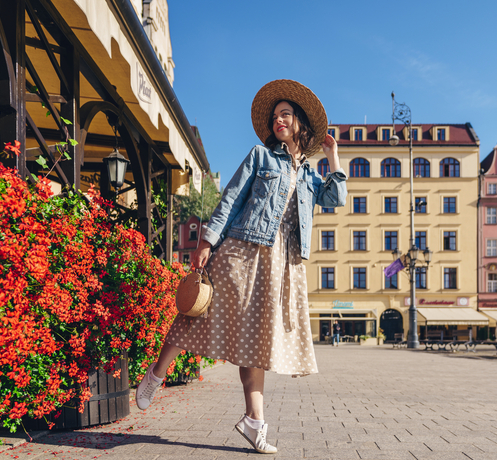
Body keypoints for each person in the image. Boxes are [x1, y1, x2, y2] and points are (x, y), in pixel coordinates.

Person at [134, 80, 347, 454]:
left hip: (282, 262)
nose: (279, 119)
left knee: (257, 342)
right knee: (200, 313)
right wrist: (206, 242)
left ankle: (254, 422)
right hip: (243, 248)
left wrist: (333, 157)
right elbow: (230, 198)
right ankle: (156, 373)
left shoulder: (311, 176)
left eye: (286, 114)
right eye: (275, 115)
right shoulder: (259, 157)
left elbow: (337, 197)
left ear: (300, 124)